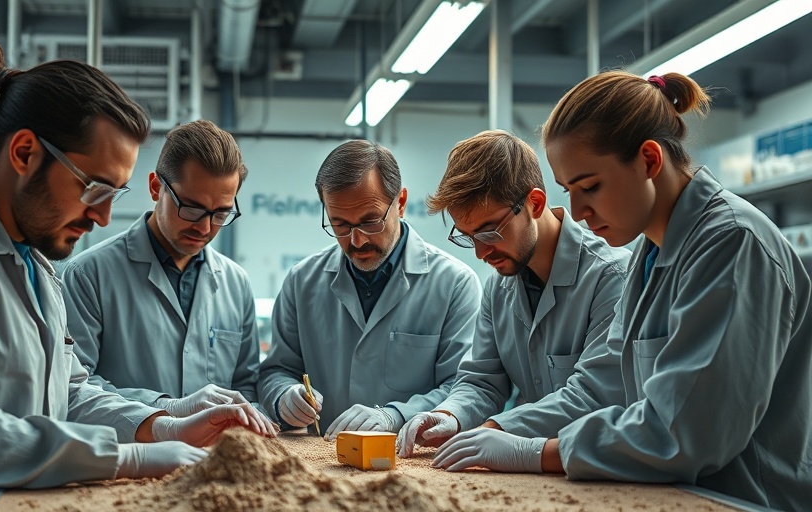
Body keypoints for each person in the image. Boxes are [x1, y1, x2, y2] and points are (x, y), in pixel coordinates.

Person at [0, 39, 273, 512]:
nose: (103, 218)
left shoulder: (37, 265)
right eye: (95, 188)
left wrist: (160, 425)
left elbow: (71, 392)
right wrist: (122, 457)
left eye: (114, 195)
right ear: (24, 153)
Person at [431, 71, 812, 511]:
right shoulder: (650, 256)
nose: (576, 210)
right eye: (569, 190)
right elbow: (625, 399)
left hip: (746, 501)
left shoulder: (733, 243)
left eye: (590, 186)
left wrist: (534, 451)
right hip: (678, 495)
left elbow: (685, 433)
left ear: (649, 160)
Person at [395, 130, 631, 458]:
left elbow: (593, 395)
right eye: (468, 236)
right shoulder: (498, 285)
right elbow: (482, 380)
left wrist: (496, 431)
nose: (480, 252)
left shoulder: (612, 278)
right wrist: (450, 415)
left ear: (534, 203)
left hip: (599, 471)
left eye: (490, 231)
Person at [257, 139, 480, 440]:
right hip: (324, 468)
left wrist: (396, 416)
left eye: (370, 222)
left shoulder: (454, 284)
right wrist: (284, 397)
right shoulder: (302, 281)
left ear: (400, 203)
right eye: (340, 225)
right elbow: (275, 371)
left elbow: (462, 386)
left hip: (413, 465)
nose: (357, 240)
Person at [62, 120, 267, 419]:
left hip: (214, 461)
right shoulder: (88, 275)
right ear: (156, 187)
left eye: (221, 213)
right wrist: (165, 408)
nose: (205, 227)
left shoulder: (236, 283)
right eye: (192, 209)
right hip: (130, 459)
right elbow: (73, 390)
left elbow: (246, 388)